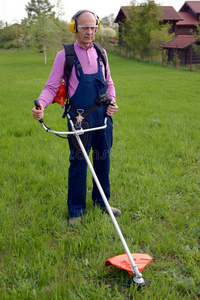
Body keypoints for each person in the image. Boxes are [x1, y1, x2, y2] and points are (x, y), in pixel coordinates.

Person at [32, 10, 121, 226]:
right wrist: (41, 104)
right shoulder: (66, 55)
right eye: (84, 28)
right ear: (75, 28)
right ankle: (76, 210)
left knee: (102, 159)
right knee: (79, 162)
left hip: (103, 118)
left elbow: (109, 82)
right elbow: (52, 86)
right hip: (79, 119)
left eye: (93, 28)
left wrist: (113, 102)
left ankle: (103, 202)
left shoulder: (101, 53)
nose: (89, 32)